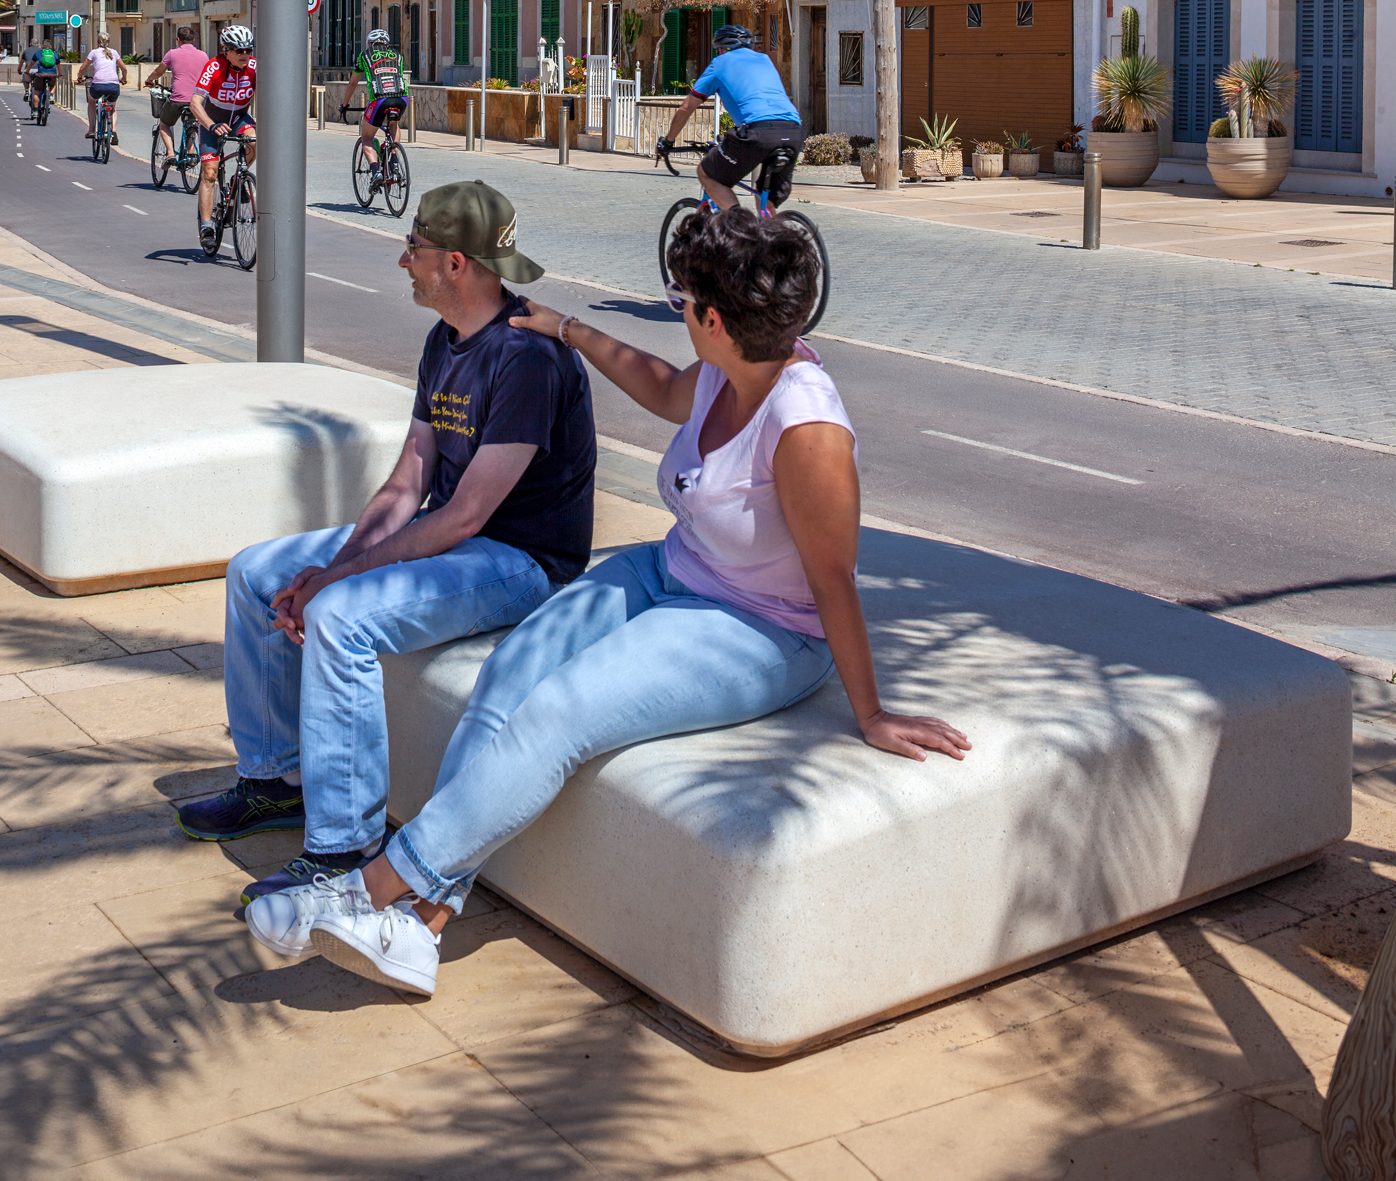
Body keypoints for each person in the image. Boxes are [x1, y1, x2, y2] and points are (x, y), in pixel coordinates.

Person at [245, 207, 972, 996]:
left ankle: (367, 894)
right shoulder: (734, 365)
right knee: (512, 666)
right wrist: (571, 331)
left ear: (716, 320)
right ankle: (422, 925)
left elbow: (833, 581)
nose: (679, 315)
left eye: (682, 303)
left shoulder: (807, 429)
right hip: (673, 567)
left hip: (765, 626)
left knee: (562, 713)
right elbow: (666, 389)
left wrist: (871, 713)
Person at [177, 180, 598, 911]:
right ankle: (278, 780)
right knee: (254, 573)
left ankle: (342, 850)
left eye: (416, 248)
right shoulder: (446, 341)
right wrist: (333, 566)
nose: (405, 261)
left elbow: (465, 516)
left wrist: (337, 585)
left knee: (342, 618)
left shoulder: (528, 358)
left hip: (522, 562)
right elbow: (410, 480)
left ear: (458, 263)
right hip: (460, 536)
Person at [656, 24, 805, 213]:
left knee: (706, 173)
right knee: (764, 198)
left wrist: (668, 141)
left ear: (721, 49)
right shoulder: (765, 59)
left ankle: (740, 222)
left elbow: (686, 108)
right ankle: (769, 237)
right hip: (792, 131)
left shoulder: (719, 64)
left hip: (758, 131)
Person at [192, 25, 257, 251]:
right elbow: (195, 103)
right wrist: (210, 124)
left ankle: (236, 180)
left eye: (248, 50)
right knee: (209, 173)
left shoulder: (254, 67)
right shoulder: (213, 66)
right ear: (225, 51)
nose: (244, 55)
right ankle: (207, 226)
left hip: (239, 117)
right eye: (238, 51)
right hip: (212, 120)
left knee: (255, 141)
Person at [339, 28, 407, 184]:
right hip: (401, 98)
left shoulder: (364, 55)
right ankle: (394, 159)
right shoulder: (397, 55)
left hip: (380, 99)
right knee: (393, 124)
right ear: (387, 43)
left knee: (367, 137)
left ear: (370, 43)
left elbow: (353, 82)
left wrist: (344, 105)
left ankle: (376, 173)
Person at [144, 25, 209, 158]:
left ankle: (170, 153)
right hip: (197, 100)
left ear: (178, 40)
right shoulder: (203, 55)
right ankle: (191, 155)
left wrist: (150, 80)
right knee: (192, 124)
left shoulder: (172, 53)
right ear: (194, 39)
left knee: (164, 124)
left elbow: (158, 71)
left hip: (178, 99)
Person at [77, 33, 128, 145]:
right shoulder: (114, 52)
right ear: (109, 43)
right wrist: (123, 78)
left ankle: (91, 130)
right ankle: (113, 130)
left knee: (91, 101)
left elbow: (82, 68)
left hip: (98, 85)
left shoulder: (94, 52)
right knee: (112, 106)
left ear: (97, 43)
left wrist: (80, 77)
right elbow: (124, 68)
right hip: (113, 85)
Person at [27, 41, 60, 117]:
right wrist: (59, 74)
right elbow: (59, 66)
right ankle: (51, 95)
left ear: (42, 47)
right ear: (51, 47)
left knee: (37, 91)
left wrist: (27, 71)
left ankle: (35, 111)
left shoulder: (39, 53)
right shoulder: (54, 54)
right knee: (52, 85)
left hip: (41, 74)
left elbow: (31, 63)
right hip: (52, 74)